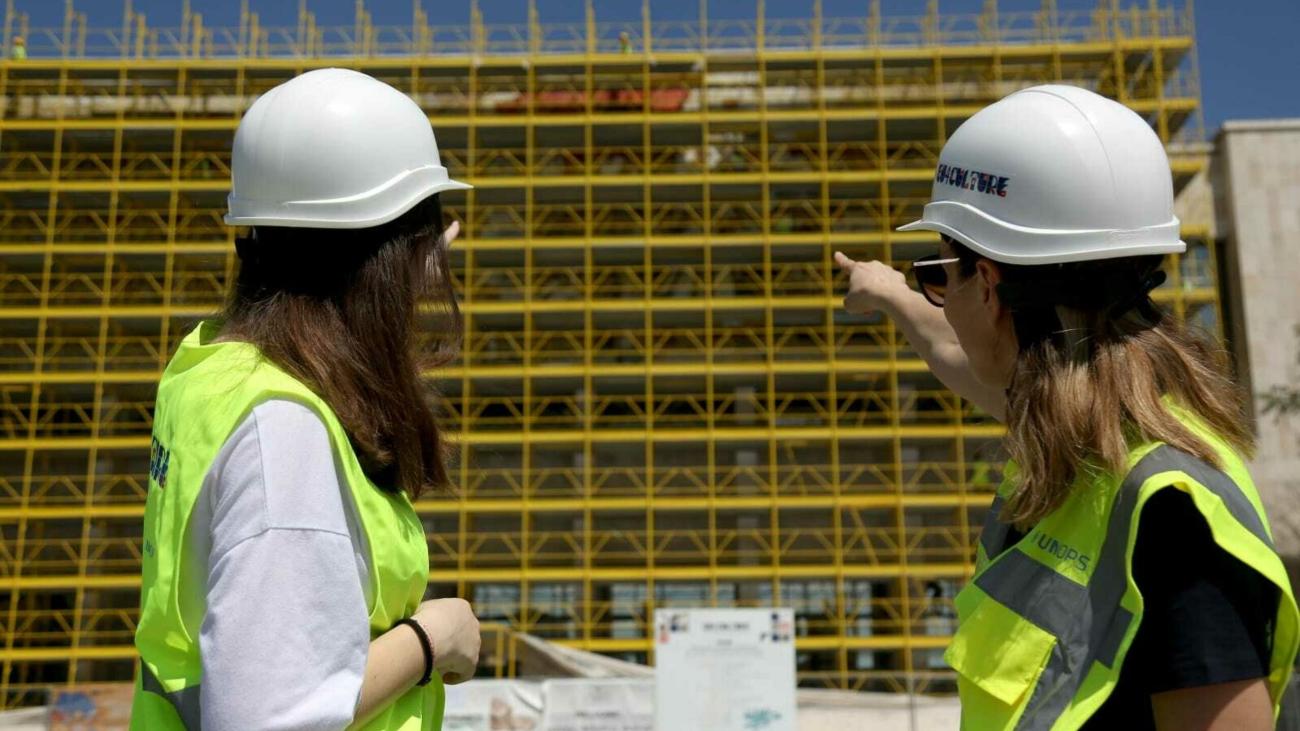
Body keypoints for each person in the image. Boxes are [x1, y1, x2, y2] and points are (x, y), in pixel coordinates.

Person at [835, 84, 1299, 730]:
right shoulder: (1086, 429)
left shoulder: (1172, 512)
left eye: (938, 271)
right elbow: (951, 348)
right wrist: (887, 288)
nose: (935, 295)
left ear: (990, 284)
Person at [130, 68, 481, 730]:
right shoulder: (281, 430)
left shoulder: (213, 367)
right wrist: (433, 639)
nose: (432, 276)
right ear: (388, 260)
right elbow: (267, 716)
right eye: (426, 250)